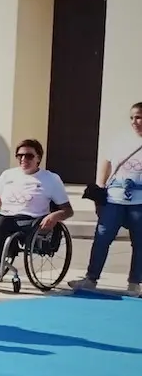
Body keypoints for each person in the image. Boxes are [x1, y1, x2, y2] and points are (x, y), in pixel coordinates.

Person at [0, 138, 73, 282]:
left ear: (38, 158)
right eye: (20, 156)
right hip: (6, 216)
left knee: (0, 221)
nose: (23, 159)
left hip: (31, 220)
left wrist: (55, 216)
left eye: (29, 156)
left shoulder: (50, 179)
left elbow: (68, 211)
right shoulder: (8, 175)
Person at [71, 102, 142, 297]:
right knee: (102, 238)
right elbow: (107, 163)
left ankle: (135, 283)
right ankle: (91, 278)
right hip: (114, 199)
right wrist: (100, 188)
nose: (135, 122)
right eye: (132, 117)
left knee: (139, 243)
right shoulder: (121, 141)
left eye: (139, 117)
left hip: (139, 201)